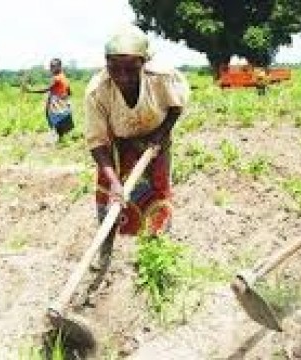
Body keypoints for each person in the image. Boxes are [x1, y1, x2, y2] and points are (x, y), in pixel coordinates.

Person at [85, 25, 190, 271]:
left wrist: (159, 136)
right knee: (109, 198)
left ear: (144, 63)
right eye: (114, 69)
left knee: (157, 193)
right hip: (116, 143)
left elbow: (176, 107)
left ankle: (156, 253)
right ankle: (105, 253)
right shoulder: (97, 91)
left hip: (156, 140)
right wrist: (114, 181)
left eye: (131, 69)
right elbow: (97, 141)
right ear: (105, 64)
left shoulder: (161, 78)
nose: (122, 77)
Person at [23, 58, 73, 141]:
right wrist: (65, 98)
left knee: (55, 118)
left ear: (59, 67)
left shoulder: (57, 78)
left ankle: (60, 137)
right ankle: (62, 138)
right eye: (51, 66)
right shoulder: (63, 77)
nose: (51, 68)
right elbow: (69, 91)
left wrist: (30, 90)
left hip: (57, 102)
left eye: (53, 66)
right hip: (61, 101)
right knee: (61, 117)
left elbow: (46, 89)